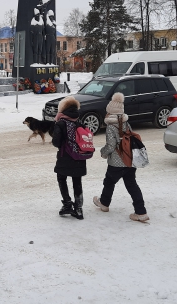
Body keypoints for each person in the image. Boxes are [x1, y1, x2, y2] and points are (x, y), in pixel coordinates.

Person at [93, 92, 149, 222]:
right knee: (132, 185)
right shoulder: (126, 123)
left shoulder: (110, 126)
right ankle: (141, 212)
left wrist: (103, 152)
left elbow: (111, 145)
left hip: (116, 163)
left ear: (110, 111)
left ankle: (105, 204)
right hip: (129, 161)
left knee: (109, 182)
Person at [52, 95, 87, 220]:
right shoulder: (79, 122)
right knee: (77, 181)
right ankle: (78, 209)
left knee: (62, 178)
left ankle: (67, 204)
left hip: (65, 156)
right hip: (79, 157)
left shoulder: (61, 123)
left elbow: (56, 142)